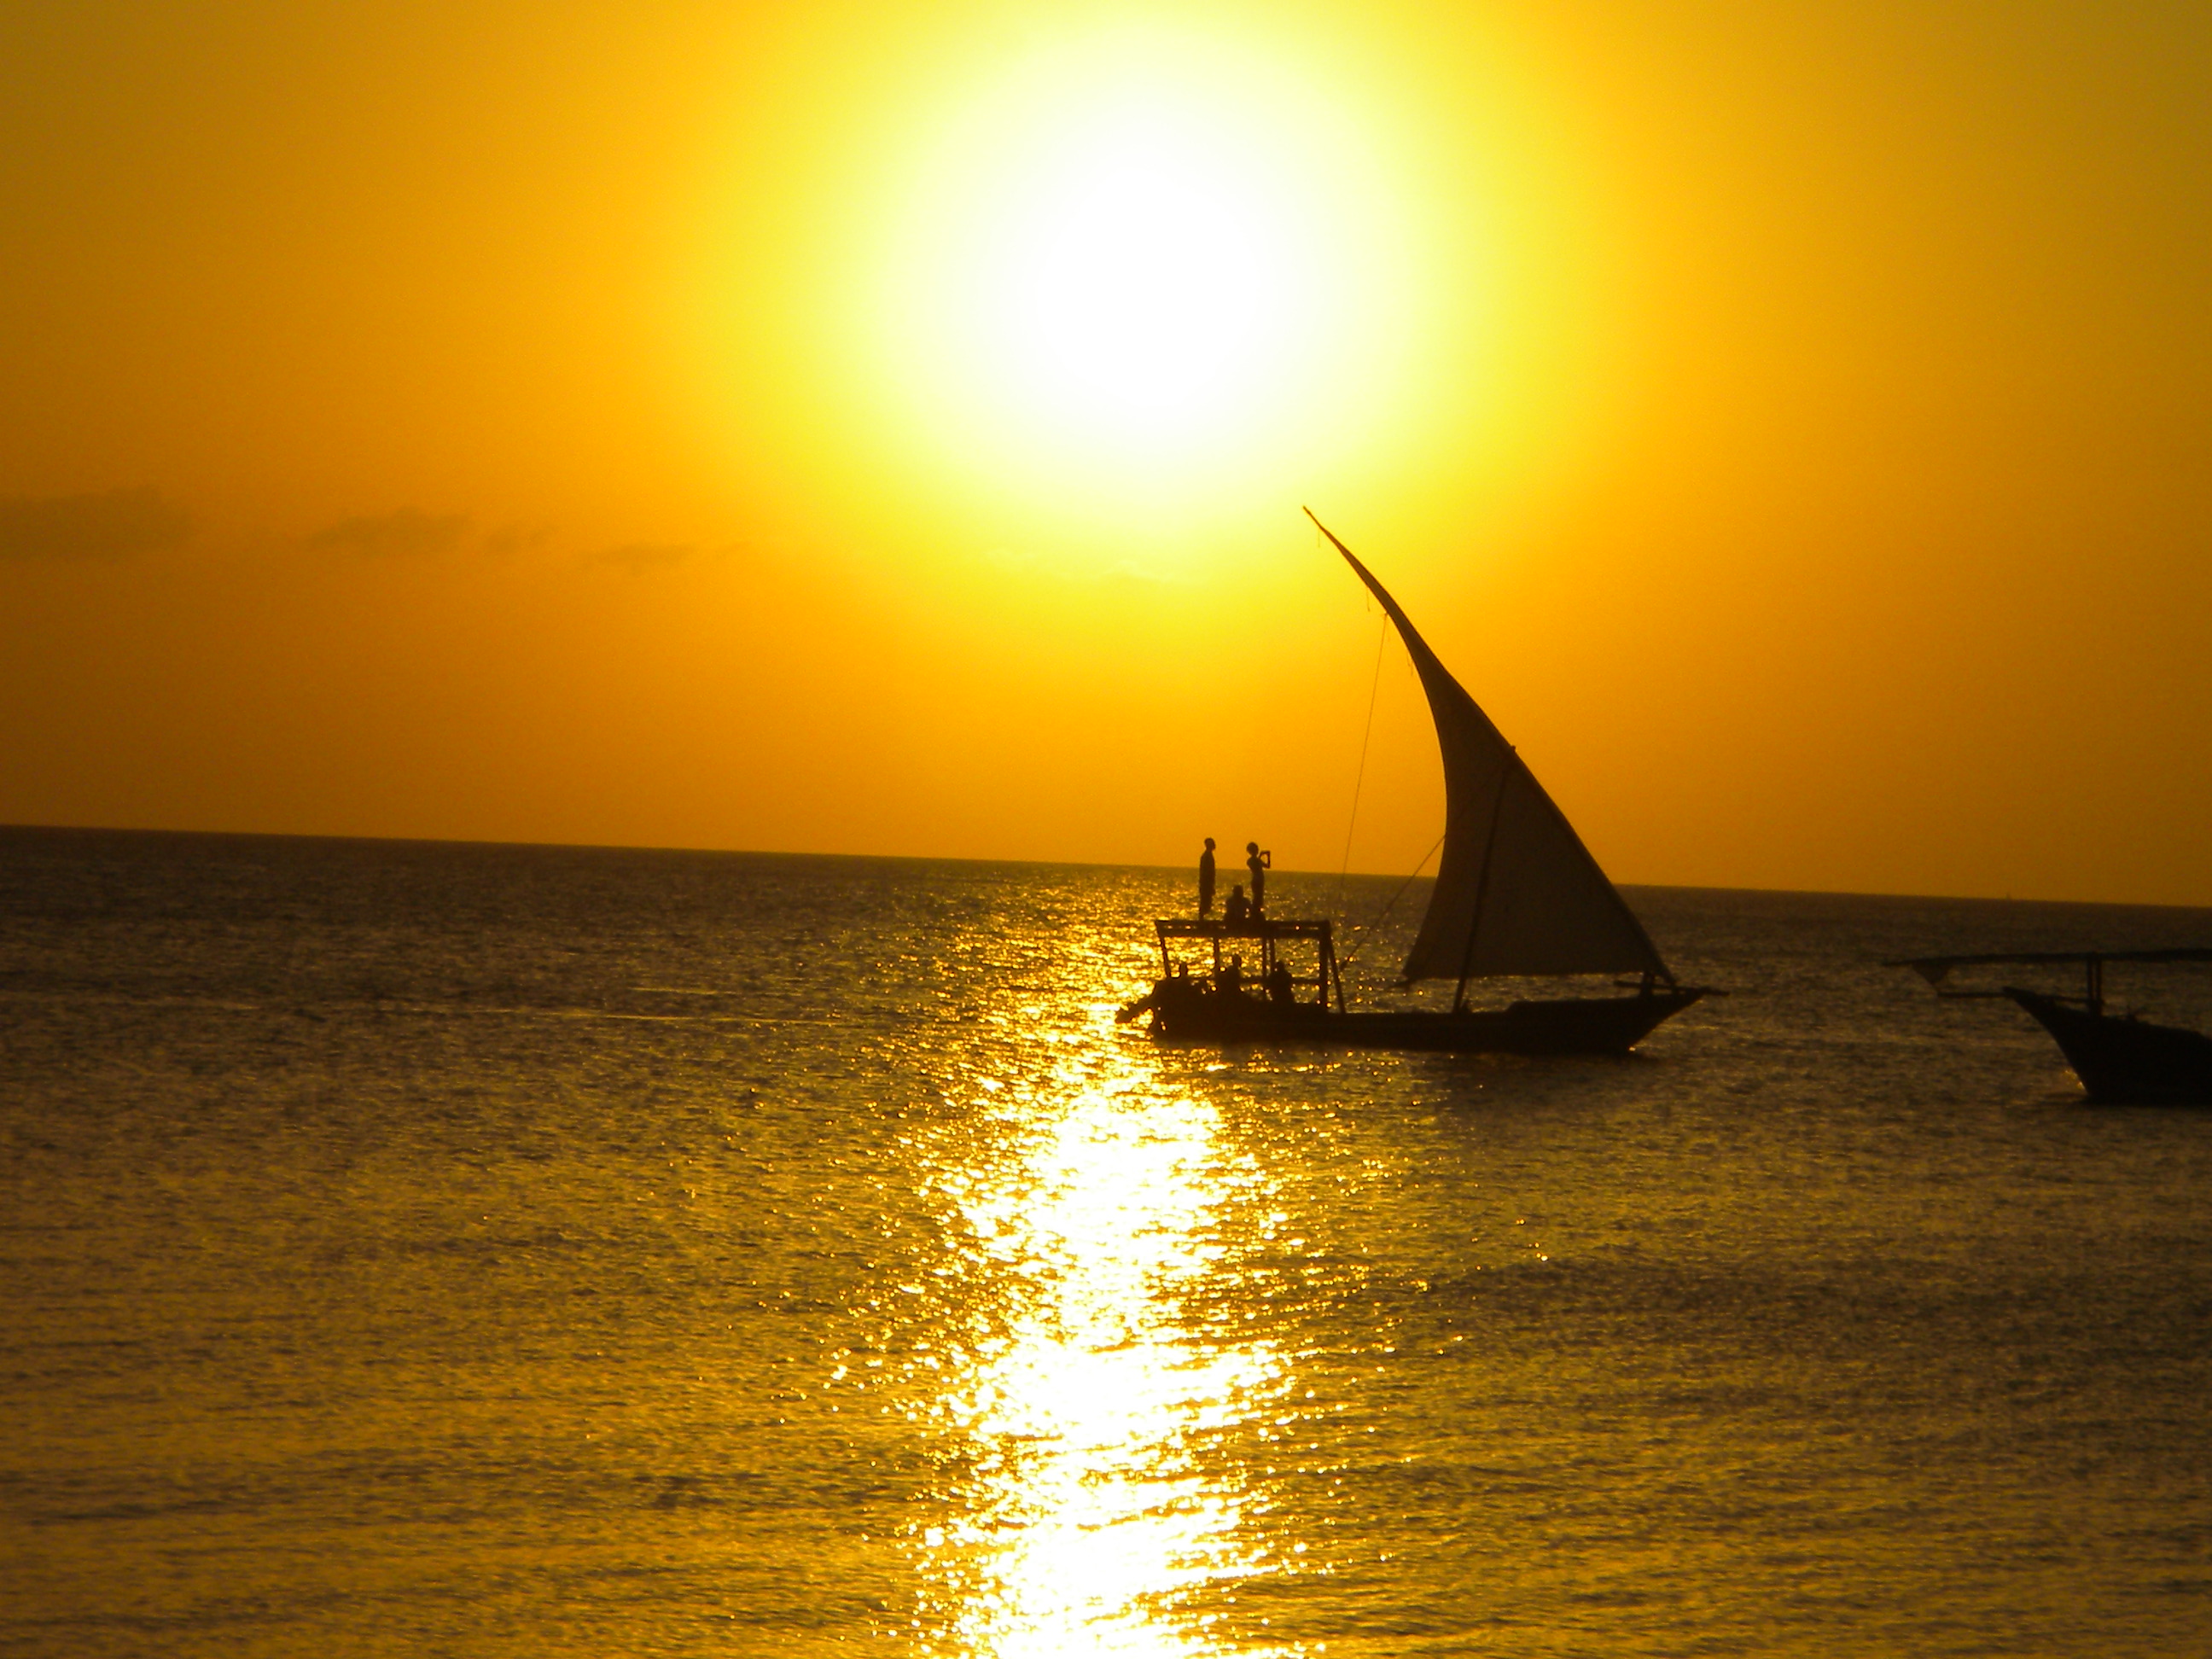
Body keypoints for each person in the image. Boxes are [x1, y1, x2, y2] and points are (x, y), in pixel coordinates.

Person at [1245, 842, 1271, 917]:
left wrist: (1268, 856)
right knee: (1257, 897)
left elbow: (1268, 866)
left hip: (1260, 880)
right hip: (1257, 880)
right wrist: (1261, 855)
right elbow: (1256, 865)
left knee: (1259, 897)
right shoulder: (1250, 861)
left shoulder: (1255, 860)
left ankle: (1257, 912)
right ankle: (1254, 913)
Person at [1197, 837, 1216, 917]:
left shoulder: (1208, 856)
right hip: (1206, 883)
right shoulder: (1206, 856)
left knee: (1207, 904)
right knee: (1205, 903)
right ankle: (1201, 920)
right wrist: (1209, 885)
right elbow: (1206, 872)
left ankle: (1202, 919)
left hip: (1207, 883)